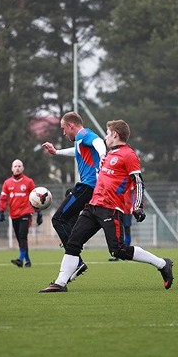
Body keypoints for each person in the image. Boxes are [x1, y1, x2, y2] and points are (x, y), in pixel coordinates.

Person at [39, 119, 173, 293]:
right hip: (93, 206)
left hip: (110, 209)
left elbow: (138, 182)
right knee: (73, 242)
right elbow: (92, 167)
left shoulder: (129, 155)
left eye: (108, 133)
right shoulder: (109, 154)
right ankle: (60, 283)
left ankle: (163, 264)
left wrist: (137, 206)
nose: (105, 136)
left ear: (115, 135)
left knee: (118, 250)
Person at [41, 111, 106, 281]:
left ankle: (76, 260)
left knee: (58, 219)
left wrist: (102, 154)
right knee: (67, 214)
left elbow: (99, 142)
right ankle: (75, 251)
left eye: (64, 129)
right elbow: (76, 151)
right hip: (86, 187)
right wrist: (57, 152)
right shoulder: (79, 141)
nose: (64, 133)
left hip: (88, 187)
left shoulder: (84, 134)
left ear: (71, 125)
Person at [0, 159, 42, 268]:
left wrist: (39, 213)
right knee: (20, 238)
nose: (17, 168)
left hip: (26, 213)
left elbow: (36, 198)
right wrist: (0, 210)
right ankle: (28, 260)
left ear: (23, 168)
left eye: (19, 166)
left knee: (22, 235)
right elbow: (3, 198)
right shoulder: (7, 183)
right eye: (15, 166)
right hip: (14, 214)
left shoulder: (29, 182)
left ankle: (20, 259)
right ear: (12, 168)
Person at [109, 183, 134, 261]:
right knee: (118, 231)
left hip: (127, 210)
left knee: (126, 230)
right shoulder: (118, 181)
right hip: (118, 208)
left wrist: (134, 206)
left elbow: (134, 194)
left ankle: (125, 253)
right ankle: (118, 253)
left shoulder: (130, 182)